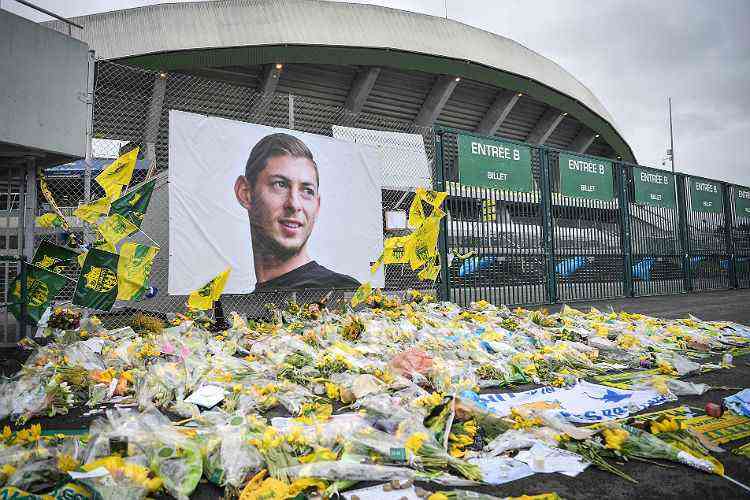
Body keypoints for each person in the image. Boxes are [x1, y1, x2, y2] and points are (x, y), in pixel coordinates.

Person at [234, 133, 360, 291]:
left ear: (317, 205)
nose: (294, 204)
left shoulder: (343, 292)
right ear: (245, 192)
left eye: (307, 191)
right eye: (280, 184)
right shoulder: (244, 306)